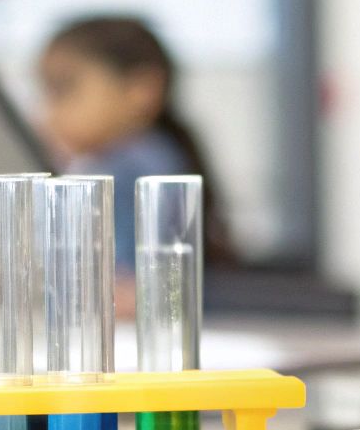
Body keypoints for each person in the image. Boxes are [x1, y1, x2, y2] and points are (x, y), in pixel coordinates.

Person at [37, 15, 233, 268]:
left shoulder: (137, 165)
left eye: (64, 89)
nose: (49, 111)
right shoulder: (137, 159)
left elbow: (124, 273)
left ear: (141, 90)